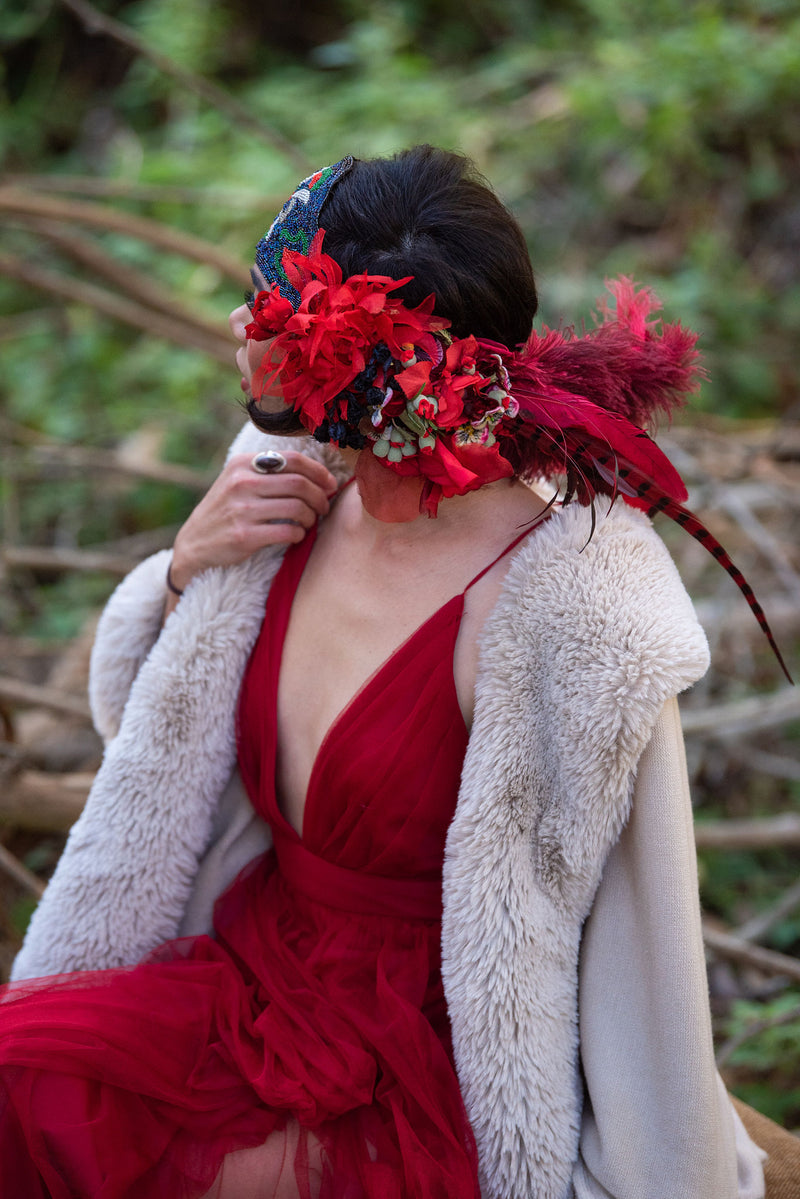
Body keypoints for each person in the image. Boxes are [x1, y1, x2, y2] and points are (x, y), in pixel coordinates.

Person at [0, 146, 773, 1198]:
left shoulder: (573, 610)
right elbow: (153, 745)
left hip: (411, 1067)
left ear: (334, 363)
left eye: (265, 311)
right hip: (244, 978)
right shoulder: (288, 487)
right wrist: (184, 570)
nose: (239, 329)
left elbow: (646, 952)